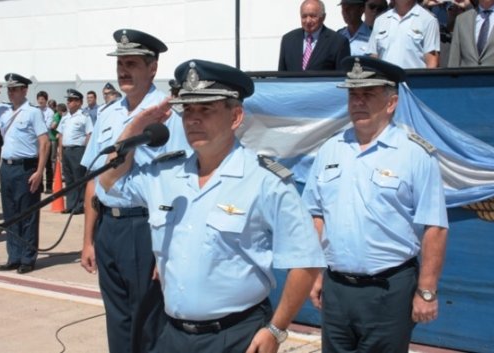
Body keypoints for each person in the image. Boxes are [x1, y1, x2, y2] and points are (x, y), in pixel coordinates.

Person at [100, 59, 326, 353]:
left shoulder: (264, 180)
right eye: (188, 111)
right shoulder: (164, 175)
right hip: (171, 334)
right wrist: (136, 126)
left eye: (206, 110)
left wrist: (276, 329)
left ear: (235, 116)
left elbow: (306, 261)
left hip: (235, 336)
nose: (193, 119)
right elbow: (108, 180)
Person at [302, 56, 448, 353]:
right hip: (337, 288)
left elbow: (435, 226)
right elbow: (315, 215)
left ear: (391, 102)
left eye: (367, 94)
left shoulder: (414, 153)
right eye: (353, 95)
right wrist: (314, 273)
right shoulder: (331, 149)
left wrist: (427, 291)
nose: (358, 102)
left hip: (388, 291)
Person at [79, 29, 190, 353]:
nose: (123, 71)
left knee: (148, 324)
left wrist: (169, 245)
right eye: (120, 64)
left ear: (152, 68)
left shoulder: (167, 115)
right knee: (118, 321)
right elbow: (93, 179)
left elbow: (180, 183)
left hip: (146, 229)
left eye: (132, 64)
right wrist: (88, 239)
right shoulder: (107, 113)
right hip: (109, 228)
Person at [0, 73, 50, 274]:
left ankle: (27, 258)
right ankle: (14, 257)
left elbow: (44, 142)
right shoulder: (2, 110)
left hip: (26, 167)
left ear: (24, 90)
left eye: (15, 89)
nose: (11, 92)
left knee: (28, 214)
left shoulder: (32, 112)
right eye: (9, 89)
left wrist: (40, 170)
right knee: (11, 214)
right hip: (7, 168)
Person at [279, 0, 351, 71]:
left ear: (323, 17)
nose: (308, 21)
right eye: (304, 16)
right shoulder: (288, 40)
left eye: (313, 16)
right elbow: (281, 77)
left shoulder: (338, 42)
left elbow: (342, 78)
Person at [367, 0, 441, 68]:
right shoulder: (380, 20)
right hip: (385, 81)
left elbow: (432, 62)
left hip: (413, 81)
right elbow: (373, 57)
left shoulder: (429, 20)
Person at [56, 89, 93, 214]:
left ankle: (80, 205)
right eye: (68, 100)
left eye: (71, 100)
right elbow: (61, 136)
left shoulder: (84, 117)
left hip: (78, 151)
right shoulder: (65, 117)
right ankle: (71, 205)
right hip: (67, 151)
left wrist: (87, 153)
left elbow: (89, 135)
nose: (69, 102)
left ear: (79, 102)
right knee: (69, 179)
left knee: (79, 179)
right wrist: (60, 153)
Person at [37, 91, 55, 194]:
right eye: (39, 99)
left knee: (48, 164)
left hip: (46, 140)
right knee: (38, 164)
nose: (40, 101)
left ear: (46, 100)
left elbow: (48, 126)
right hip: (37, 142)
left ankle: (48, 186)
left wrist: (38, 125)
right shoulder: (34, 111)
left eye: (42, 99)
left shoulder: (49, 112)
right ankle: (39, 185)